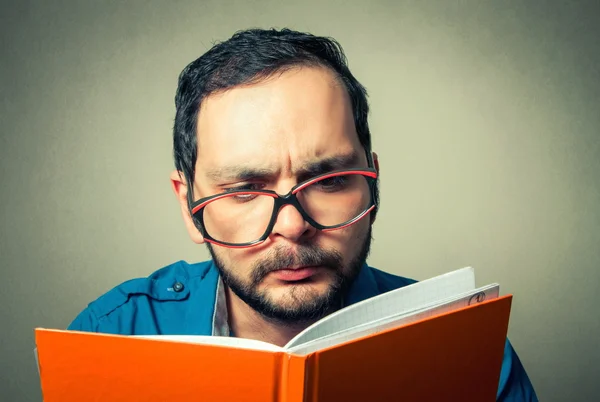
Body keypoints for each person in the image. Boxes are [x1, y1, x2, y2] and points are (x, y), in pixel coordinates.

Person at [68, 28, 538, 401]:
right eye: (245, 190)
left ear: (372, 183)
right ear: (189, 208)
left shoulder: (467, 350)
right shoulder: (112, 335)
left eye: (329, 181)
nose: (293, 226)